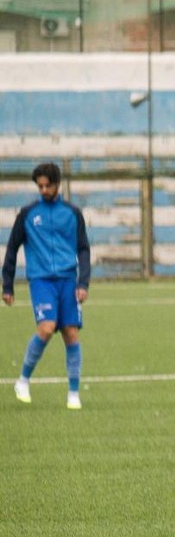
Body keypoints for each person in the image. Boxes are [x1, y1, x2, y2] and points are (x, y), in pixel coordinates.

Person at [3, 162, 91, 410]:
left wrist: (83, 282)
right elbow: (12, 248)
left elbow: (83, 249)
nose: (43, 190)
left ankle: (73, 393)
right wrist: (7, 285)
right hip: (41, 280)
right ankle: (23, 380)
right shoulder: (28, 214)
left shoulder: (72, 214)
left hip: (68, 280)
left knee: (71, 333)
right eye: (39, 186)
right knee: (46, 327)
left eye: (47, 185)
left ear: (57, 185)